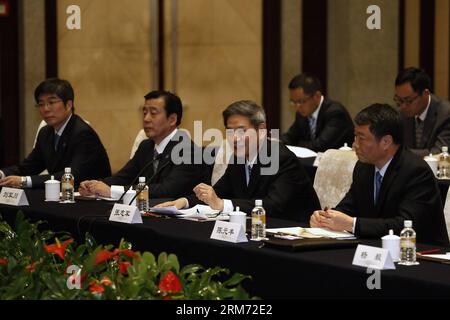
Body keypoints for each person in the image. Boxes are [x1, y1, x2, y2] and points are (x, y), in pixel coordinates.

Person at [158, 100, 321, 223]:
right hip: (258, 229)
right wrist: (182, 202)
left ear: (261, 130)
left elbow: (272, 206)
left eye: (241, 131)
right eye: (230, 131)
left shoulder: (280, 158)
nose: (234, 138)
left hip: (295, 232)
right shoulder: (238, 158)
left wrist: (222, 205)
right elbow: (219, 192)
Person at [310, 103, 449, 245]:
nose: (355, 144)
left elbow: (404, 224)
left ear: (386, 142)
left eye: (361, 138)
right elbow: (349, 206)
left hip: (422, 253)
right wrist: (326, 217)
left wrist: (352, 224)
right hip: (376, 248)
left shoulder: (416, 171)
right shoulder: (364, 167)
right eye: (355, 136)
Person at [79, 90, 206, 199]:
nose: (146, 119)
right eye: (145, 113)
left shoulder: (189, 152)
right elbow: (123, 177)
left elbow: (167, 190)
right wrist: (95, 185)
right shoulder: (146, 146)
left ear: (172, 119)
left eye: (153, 113)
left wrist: (113, 192)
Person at [0, 78, 111, 188]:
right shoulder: (45, 133)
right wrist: (2, 174)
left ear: (68, 105)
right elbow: (29, 167)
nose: (46, 109)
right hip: (62, 196)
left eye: (51, 102)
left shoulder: (83, 133)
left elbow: (71, 176)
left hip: (91, 198)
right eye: (41, 104)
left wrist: (24, 181)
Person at [281, 73, 354, 152]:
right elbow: (291, 136)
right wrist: (276, 142)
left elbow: (320, 146)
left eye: (301, 101)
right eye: (293, 102)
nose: (297, 106)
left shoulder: (336, 113)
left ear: (317, 96)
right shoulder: (301, 113)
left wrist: (296, 144)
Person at [395, 67, 450, 157]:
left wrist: (399, 153)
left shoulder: (445, 114)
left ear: (425, 93)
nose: (403, 106)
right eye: (399, 100)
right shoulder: (399, 113)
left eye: (408, 100)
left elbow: (440, 153)